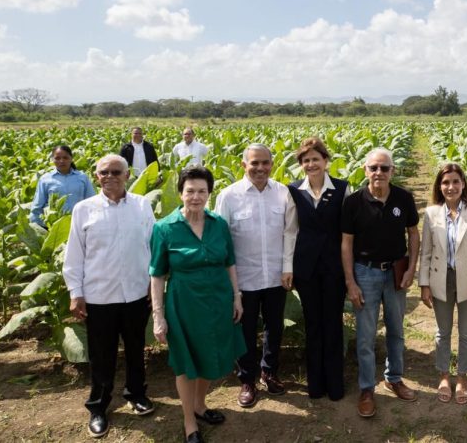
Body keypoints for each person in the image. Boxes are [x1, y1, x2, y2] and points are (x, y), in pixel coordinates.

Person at [150, 166, 246, 443]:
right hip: (184, 304)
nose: (195, 196)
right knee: (185, 361)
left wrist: (236, 296)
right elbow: (156, 274)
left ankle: (200, 405)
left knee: (210, 354)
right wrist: (159, 315)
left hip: (217, 299)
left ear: (209, 194)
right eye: (189, 190)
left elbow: (230, 262)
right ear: (180, 193)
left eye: (201, 191)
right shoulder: (164, 228)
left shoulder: (218, 224)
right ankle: (189, 421)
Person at [62, 154, 155, 439]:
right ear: (96, 175)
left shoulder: (142, 205)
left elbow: (153, 247)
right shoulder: (83, 209)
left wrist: (155, 286)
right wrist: (76, 293)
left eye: (117, 171)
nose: (110, 176)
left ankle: (136, 395)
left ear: (127, 175)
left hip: (137, 294)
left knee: (136, 349)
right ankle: (99, 407)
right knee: (101, 356)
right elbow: (74, 255)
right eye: (104, 172)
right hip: (99, 297)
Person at [214, 144, 297, 408]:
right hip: (243, 277)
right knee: (246, 330)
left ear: (272, 164)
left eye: (265, 163)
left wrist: (287, 267)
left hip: (275, 275)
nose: (260, 168)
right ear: (244, 165)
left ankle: (269, 373)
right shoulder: (228, 196)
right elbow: (221, 240)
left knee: (275, 326)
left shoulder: (282, 192)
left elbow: (290, 233)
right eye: (254, 163)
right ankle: (247, 380)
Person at [341, 148, 420, 418]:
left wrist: (412, 268)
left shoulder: (403, 198)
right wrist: (350, 281)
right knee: (365, 335)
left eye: (384, 168)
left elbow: (413, 233)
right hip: (366, 273)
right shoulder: (353, 202)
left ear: (392, 172)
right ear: (366, 170)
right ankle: (366, 388)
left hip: (395, 273)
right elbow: (346, 244)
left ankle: (394, 378)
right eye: (374, 168)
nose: (379, 173)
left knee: (396, 330)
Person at [419, 163, 467, 405]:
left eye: (455, 182)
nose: (450, 187)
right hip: (442, 278)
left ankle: (462, 377)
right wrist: (424, 284)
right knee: (442, 332)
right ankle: (443, 375)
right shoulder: (431, 214)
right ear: (439, 187)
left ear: (463, 184)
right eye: (445, 182)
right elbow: (426, 253)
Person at [284, 137, 350, 401]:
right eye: (306, 160)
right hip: (306, 269)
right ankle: (315, 385)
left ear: (326, 161)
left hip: (334, 267)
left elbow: (347, 233)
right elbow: (290, 231)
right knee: (313, 325)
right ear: (301, 165)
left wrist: (349, 272)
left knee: (333, 323)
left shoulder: (343, 189)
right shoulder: (294, 191)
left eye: (316, 159)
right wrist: (287, 267)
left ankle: (335, 385)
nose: (311, 164)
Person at [30, 145, 95, 227]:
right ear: (52, 159)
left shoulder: (82, 177)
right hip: (55, 226)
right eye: (57, 158)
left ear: (71, 159)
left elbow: (92, 201)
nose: (61, 161)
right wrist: (39, 227)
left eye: (65, 158)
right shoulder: (45, 179)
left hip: (79, 224)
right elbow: (37, 206)